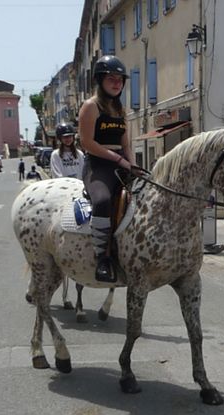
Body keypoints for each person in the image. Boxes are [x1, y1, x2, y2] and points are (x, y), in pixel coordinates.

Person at [77, 55, 137, 283]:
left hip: (121, 162)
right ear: (100, 80)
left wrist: (132, 165)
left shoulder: (121, 109)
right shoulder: (91, 106)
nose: (117, 83)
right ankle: (102, 258)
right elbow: (87, 143)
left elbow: (126, 144)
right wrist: (118, 160)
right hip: (98, 165)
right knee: (102, 200)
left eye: (120, 79)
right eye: (111, 79)